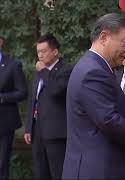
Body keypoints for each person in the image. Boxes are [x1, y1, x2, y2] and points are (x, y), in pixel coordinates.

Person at [62, 13, 125, 180]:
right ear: (104, 37)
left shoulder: (93, 67)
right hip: (98, 170)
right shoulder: (93, 72)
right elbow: (109, 120)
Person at [24, 34, 73, 180]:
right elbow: (33, 99)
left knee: (57, 172)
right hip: (37, 131)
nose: (40, 55)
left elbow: (56, 90)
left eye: (44, 51)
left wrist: (44, 71)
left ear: (55, 51)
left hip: (56, 132)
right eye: (38, 51)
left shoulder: (66, 70)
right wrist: (28, 127)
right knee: (41, 172)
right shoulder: (38, 72)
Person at [0, 36, 28, 179]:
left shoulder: (12, 65)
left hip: (4, 124)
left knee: (2, 164)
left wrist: (3, 97)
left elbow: (22, 92)